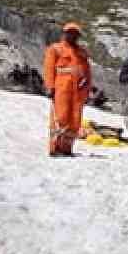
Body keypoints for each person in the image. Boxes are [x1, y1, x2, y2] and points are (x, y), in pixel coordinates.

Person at [43, 22, 92, 157]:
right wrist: (50, 87)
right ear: (64, 33)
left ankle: (67, 148)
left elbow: (87, 72)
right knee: (61, 117)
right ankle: (55, 147)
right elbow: (49, 69)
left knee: (75, 120)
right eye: (70, 32)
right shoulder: (55, 49)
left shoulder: (82, 53)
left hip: (78, 91)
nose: (72, 35)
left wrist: (87, 89)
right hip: (62, 88)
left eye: (75, 33)